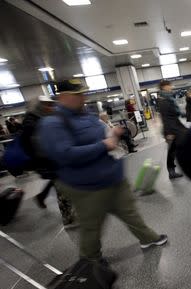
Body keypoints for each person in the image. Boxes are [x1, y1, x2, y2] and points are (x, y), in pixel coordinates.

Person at [38, 79, 167, 261]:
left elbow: (102, 135)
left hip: (111, 177)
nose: (83, 98)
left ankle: (148, 238)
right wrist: (103, 145)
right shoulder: (53, 123)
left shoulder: (86, 115)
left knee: (129, 212)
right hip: (86, 186)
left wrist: (113, 134)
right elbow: (64, 154)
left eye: (83, 93)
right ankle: (91, 260)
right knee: (91, 226)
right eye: (78, 95)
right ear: (63, 96)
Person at [20, 96, 77, 227]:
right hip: (46, 160)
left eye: (51, 105)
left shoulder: (40, 118)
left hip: (51, 158)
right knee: (60, 185)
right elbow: (36, 145)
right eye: (47, 105)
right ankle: (68, 217)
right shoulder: (31, 122)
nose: (50, 108)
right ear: (39, 106)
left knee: (58, 182)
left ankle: (43, 198)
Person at [157, 81, 186, 179]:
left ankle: (175, 168)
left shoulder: (167, 98)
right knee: (172, 151)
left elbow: (174, 113)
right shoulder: (163, 100)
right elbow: (165, 118)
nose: (171, 87)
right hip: (171, 129)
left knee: (175, 148)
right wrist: (169, 132)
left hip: (175, 126)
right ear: (164, 87)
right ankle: (171, 172)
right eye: (169, 85)